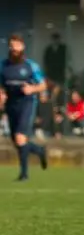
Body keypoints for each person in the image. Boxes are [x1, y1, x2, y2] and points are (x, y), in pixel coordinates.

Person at [0, 34, 49, 181]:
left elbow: (43, 85)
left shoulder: (30, 66)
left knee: (20, 138)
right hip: (11, 104)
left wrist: (32, 89)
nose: (14, 49)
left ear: (22, 47)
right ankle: (39, 150)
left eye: (17, 46)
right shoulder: (3, 65)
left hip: (26, 103)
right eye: (12, 46)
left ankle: (24, 174)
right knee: (17, 141)